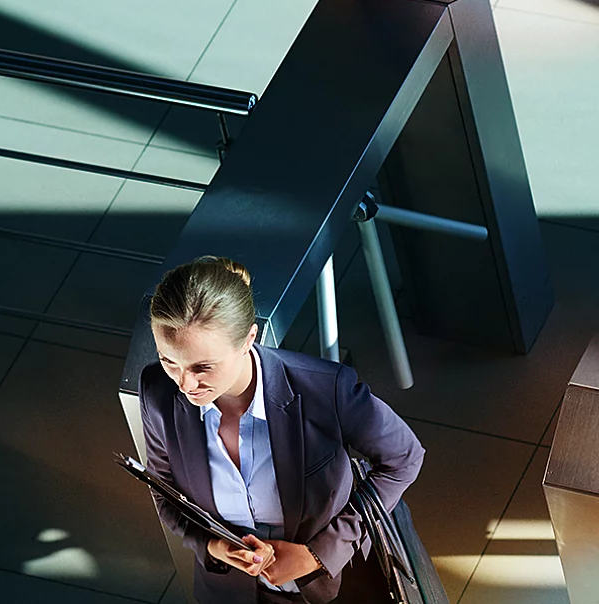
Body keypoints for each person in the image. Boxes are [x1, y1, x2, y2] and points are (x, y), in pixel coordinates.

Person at [138, 256, 426, 603]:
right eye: (169, 361)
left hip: (334, 588)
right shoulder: (157, 390)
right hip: (231, 592)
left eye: (203, 367)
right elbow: (165, 492)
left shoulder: (325, 389)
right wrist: (213, 545)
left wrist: (317, 554)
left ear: (249, 339)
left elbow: (404, 458)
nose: (185, 384)